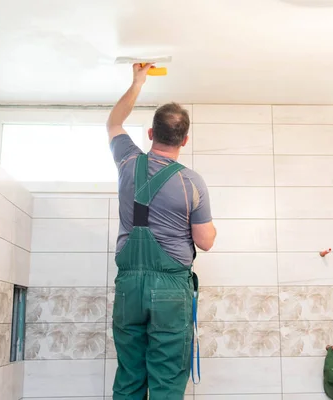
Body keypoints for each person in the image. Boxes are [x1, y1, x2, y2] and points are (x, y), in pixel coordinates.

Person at [107, 63, 217, 400]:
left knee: (129, 374)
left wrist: (138, 80)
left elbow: (113, 122)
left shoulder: (127, 161)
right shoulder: (191, 181)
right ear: (185, 139)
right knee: (167, 378)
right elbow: (205, 241)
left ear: (151, 134)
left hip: (129, 286)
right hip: (170, 287)